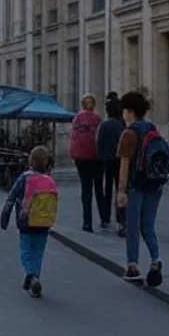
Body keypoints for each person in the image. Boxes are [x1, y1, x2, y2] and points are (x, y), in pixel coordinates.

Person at [116, 90, 169, 285]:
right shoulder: (152, 131)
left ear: (129, 112)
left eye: (124, 111)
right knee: (148, 225)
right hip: (154, 185)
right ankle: (156, 259)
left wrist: (121, 191)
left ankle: (133, 266)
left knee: (133, 226)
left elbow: (124, 164)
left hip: (136, 185)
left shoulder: (129, 134)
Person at [0, 145, 59, 298]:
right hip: (44, 222)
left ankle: (31, 274)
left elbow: (11, 199)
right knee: (38, 251)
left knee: (26, 249)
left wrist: (4, 219)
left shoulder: (25, 178)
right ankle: (35, 277)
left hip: (26, 221)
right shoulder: (50, 181)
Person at [70, 94, 104, 233]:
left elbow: (73, 137)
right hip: (96, 158)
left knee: (86, 191)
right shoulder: (97, 119)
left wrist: (73, 154)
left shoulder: (77, 118)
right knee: (98, 189)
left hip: (81, 159)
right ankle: (104, 218)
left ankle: (87, 223)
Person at [98, 95, 127, 237]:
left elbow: (99, 144)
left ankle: (105, 217)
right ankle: (120, 218)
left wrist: (101, 158)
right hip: (120, 160)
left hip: (107, 160)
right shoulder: (122, 125)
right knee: (120, 189)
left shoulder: (104, 125)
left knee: (107, 188)